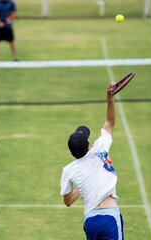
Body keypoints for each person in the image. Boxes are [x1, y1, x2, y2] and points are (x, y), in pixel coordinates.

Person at [60, 82, 124, 240]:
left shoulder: (68, 170)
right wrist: (109, 97)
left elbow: (67, 201)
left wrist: (82, 188)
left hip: (90, 221)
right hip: (110, 217)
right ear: (89, 146)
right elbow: (110, 122)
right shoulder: (100, 149)